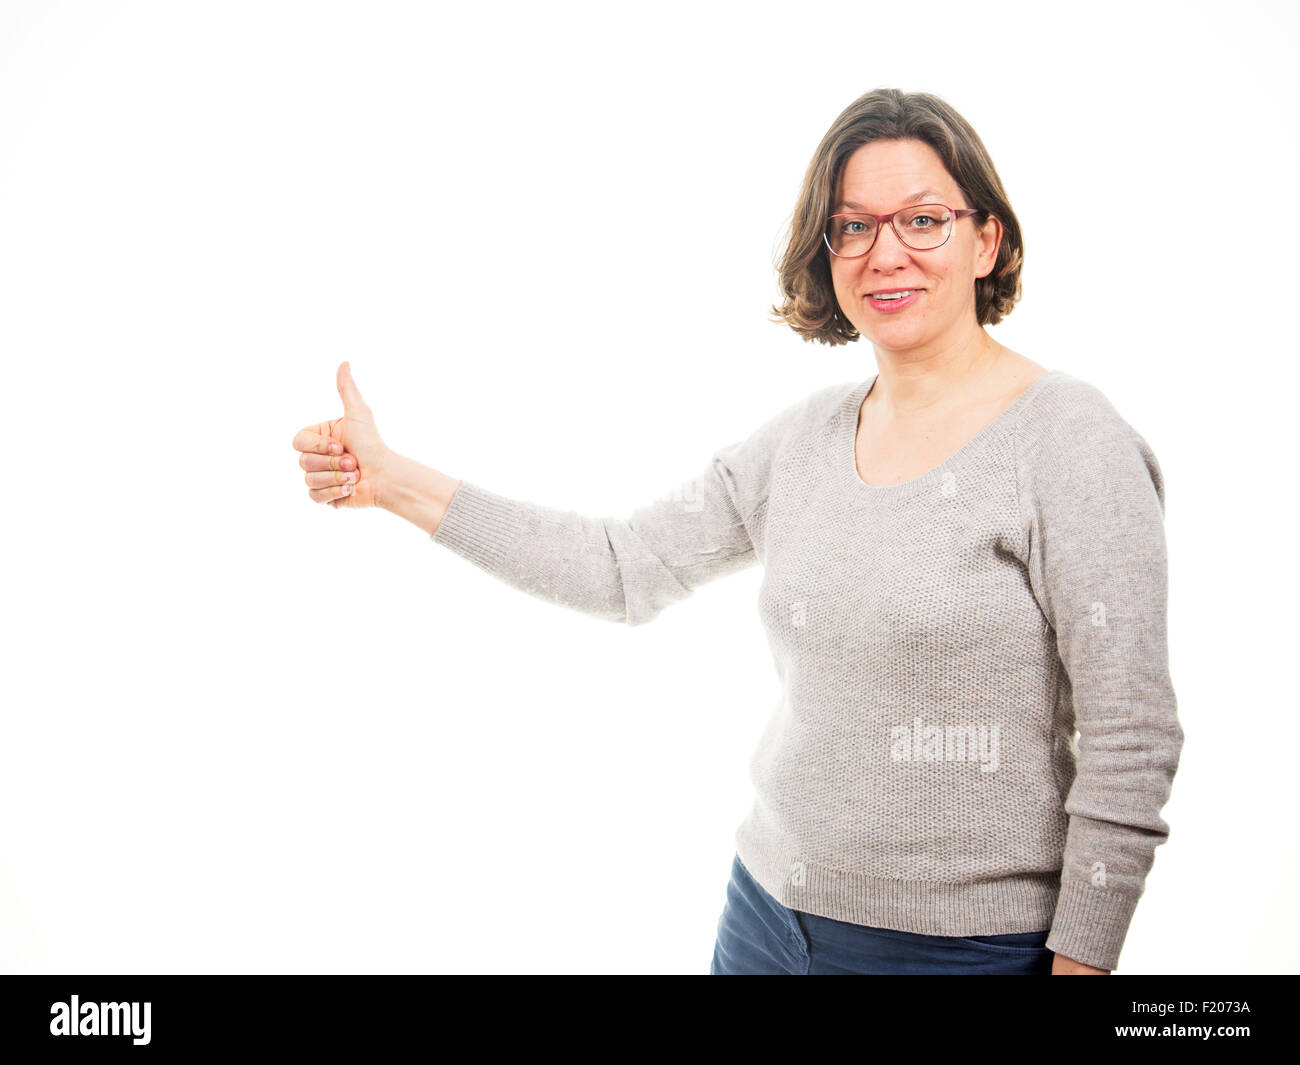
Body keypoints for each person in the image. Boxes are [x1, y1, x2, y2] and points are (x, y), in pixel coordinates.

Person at [290, 87, 1183, 975]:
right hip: (763, 921)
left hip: (957, 953)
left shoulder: (1069, 440)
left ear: (987, 240)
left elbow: (1131, 736)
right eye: (854, 226)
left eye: (924, 219)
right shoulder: (801, 443)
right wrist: (394, 481)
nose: (887, 252)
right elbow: (622, 567)